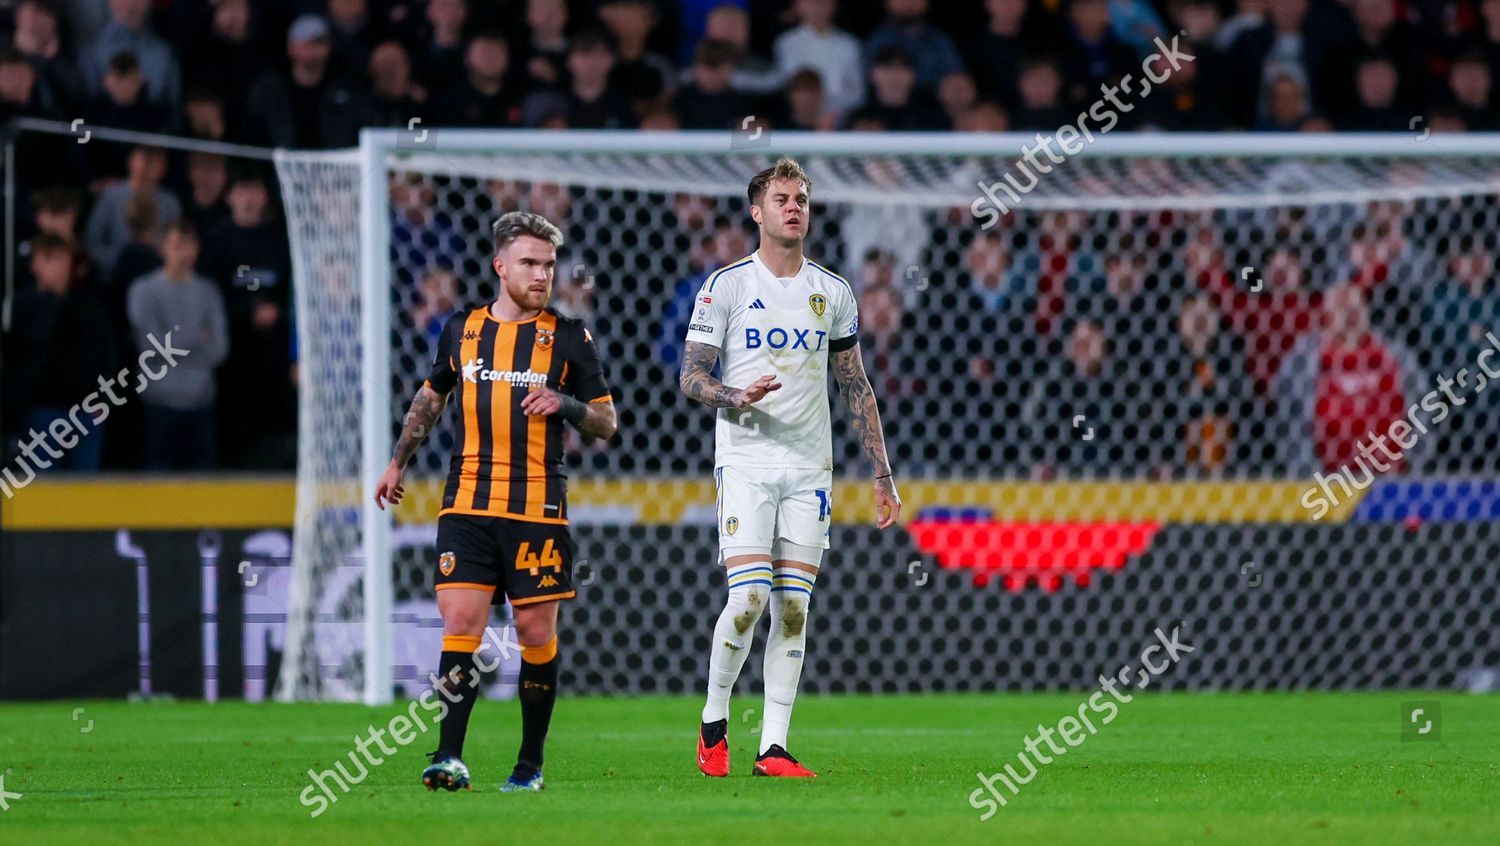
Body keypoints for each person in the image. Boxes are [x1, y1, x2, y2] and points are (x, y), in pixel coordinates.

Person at [374, 212, 618, 793]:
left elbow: (607, 421)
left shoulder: (568, 336)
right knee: (461, 623)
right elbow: (432, 397)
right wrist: (397, 462)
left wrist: (565, 403)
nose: (542, 275)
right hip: (467, 503)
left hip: (537, 506)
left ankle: (529, 765)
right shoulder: (461, 327)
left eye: (550, 265)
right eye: (530, 264)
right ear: (500, 266)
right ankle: (448, 756)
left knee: (535, 633)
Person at [681, 158, 901, 778]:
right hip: (747, 462)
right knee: (748, 597)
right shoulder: (725, 286)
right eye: (781, 198)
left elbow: (856, 387)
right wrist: (733, 395)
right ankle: (714, 723)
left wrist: (882, 476)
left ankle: (772, 747)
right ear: (757, 211)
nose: (793, 206)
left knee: (795, 608)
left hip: (810, 467)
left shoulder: (832, 293)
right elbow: (690, 376)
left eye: (801, 197)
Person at [126, 220, 229, 470]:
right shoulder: (144, 290)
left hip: (201, 401)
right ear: (163, 248)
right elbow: (151, 347)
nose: (184, 253)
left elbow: (219, 349)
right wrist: (196, 337)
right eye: (177, 245)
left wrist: (174, 346)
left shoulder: (208, 291)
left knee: (203, 489)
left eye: (190, 245)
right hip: (158, 403)